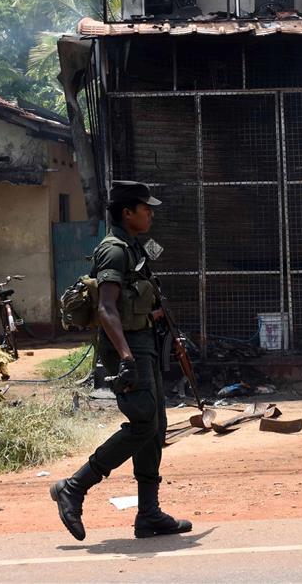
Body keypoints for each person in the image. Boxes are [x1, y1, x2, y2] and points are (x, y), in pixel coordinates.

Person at [50, 181, 192, 541]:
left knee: (155, 427)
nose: (151, 213)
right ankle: (74, 486)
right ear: (127, 212)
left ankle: (148, 515)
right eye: (145, 208)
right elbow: (106, 307)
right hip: (126, 349)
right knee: (143, 424)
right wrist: (127, 357)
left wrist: (162, 327)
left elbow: (136, 302)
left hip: (143, 342)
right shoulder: (113, 251)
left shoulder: (134, 247)